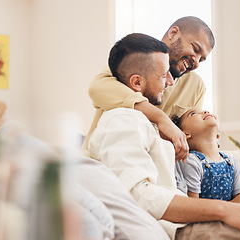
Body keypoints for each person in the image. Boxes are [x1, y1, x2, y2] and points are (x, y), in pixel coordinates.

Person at [88, 32, 240, 240]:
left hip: (191, 221)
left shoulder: (151, 128)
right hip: (181, 228)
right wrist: (227, 210)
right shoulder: (123, 120)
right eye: (163, 75)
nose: (171, 82)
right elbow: (140, 196)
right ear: (136, 82)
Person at [83, 16, 215, 161]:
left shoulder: (197, 86)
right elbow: (97, 88)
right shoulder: (137, 56)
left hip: (156, 168)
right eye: (195, 49)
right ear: (173, 33)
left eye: (201, 59)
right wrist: (162, 119)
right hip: (103, 160)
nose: (196, 61)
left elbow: (193, 134)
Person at [172, 108, 240, 209]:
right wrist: (231, 204)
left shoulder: (231, 161)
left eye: (204, 110)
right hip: (209, 218)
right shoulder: (191, 161)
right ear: (184, 134)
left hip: (234, 211)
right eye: (193, 114)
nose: (205, 111)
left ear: (217, 135)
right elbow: (193, 207)